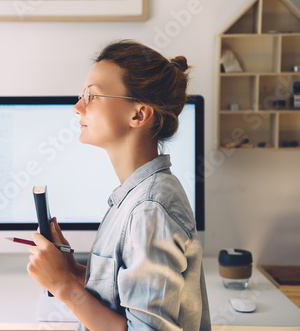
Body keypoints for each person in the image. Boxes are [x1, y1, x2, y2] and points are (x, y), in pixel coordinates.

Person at [26, 39, 211, 331]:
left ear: (138, 114)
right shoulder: (133, 196)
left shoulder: (150, 209)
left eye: (92, 96)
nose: (77, 107)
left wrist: (63, 286)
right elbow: (125, 294)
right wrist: (73, 272)